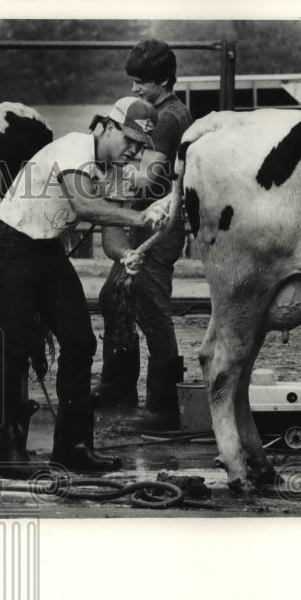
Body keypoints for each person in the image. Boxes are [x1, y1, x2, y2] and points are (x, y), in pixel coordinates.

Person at [0, 97, 168, 479]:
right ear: (105, 126)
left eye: (140, 146)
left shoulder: (116, 170)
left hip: (47, 249)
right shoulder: (74, 147)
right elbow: (84, 205)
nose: (133, 151)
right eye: (129, 140)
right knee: (17, 345)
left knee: (80, 341)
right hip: (12, 244)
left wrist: (125, 256)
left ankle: (73, 449)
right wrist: (142, 214)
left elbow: (111, 238)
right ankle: (5, 450)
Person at [94, 38, 194, 432]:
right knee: (113, 294)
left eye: (142, 82)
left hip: (157, 224)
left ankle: (163, 406)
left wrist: (108, 177)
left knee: (151, 307)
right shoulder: (162, 110)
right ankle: (118, 386)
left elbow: (151, 175)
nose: (135, 89)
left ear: (165, 80)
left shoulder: (167, 118)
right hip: (145, 218)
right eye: (132, 81)